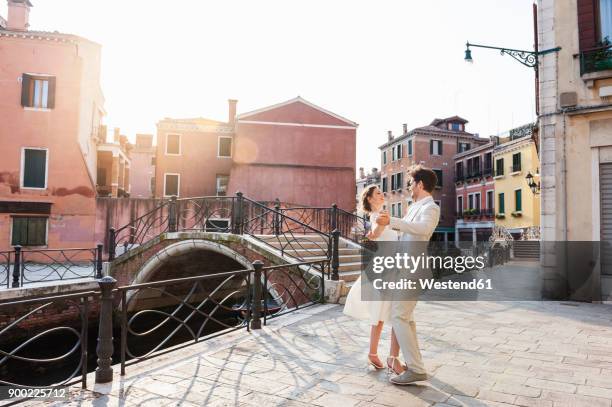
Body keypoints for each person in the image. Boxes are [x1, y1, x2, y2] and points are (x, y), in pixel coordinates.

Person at [376, 165, 440, 385]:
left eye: (411, 183)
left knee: (399, 316)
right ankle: (416, 366)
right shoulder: (414, 207)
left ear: (420, 184)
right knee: (405, 317)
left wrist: (391, 222)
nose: (408, 187)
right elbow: (407, 234)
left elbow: (421, 229)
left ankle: (415, 368)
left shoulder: (430, 207)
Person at [343, 184, 406, 375]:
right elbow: (376, 234)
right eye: (378, 193)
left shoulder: (382, 216)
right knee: (395, 312)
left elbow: (377, 234)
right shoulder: (379, 217)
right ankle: (393, 358)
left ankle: (374, 353)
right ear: (370, 199)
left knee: (381, 314)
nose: (382, 194)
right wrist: (376, 231)